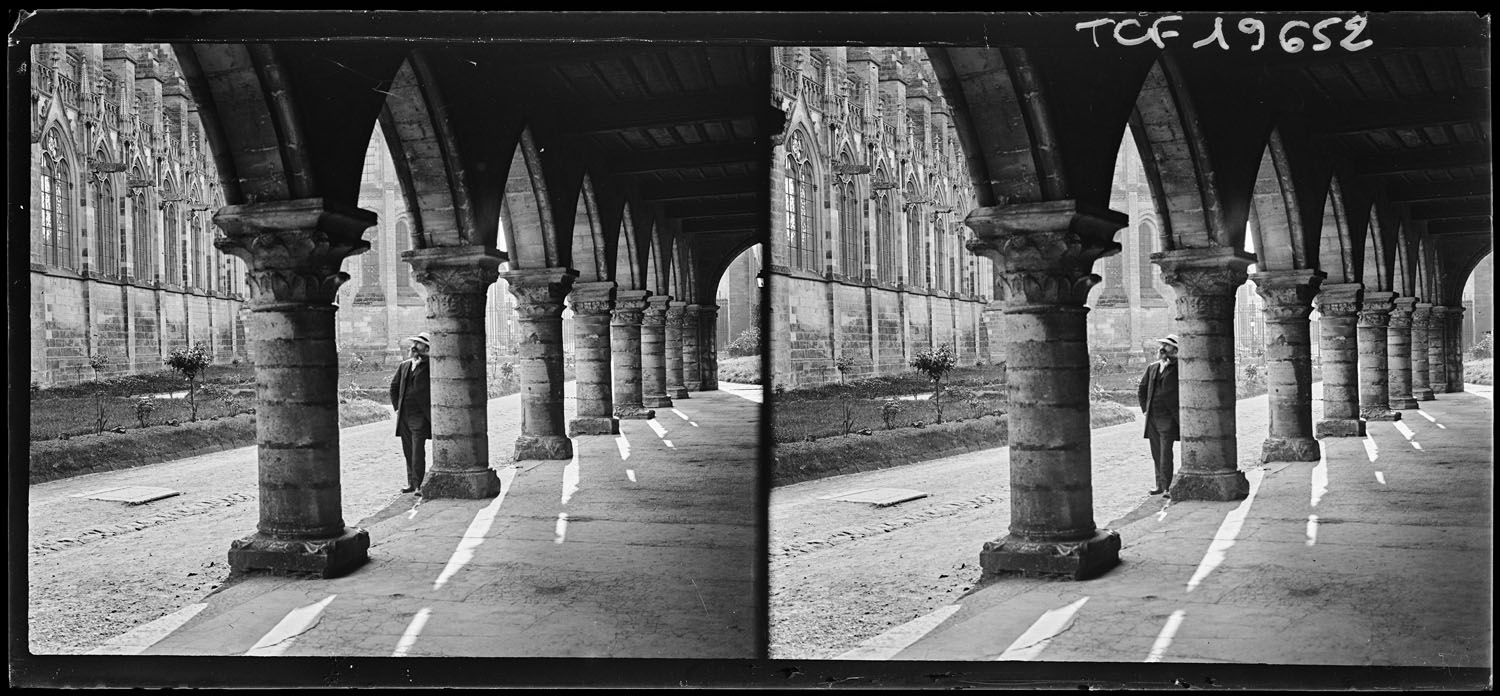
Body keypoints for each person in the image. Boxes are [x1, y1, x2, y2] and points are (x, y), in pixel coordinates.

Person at [1137, 334, 1180, 497]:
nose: (1162, 348)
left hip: (1168, 419)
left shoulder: (1179, 368)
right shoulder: (1152, 367)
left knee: (1165, 453)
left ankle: (1168, 487)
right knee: (1156, 453)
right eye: (1162, 345)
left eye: (1167, 346)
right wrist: (1145, 409)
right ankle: (1160, 485)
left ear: (1175, 350)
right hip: (1152, 418)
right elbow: (1142, 389)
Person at [390, 332, 432, 496]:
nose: (414, 346)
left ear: (426, 348)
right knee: (408, 450)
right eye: (413, 343)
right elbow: (394, 387)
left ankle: (420, 485)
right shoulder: (404, 365)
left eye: (419, 344)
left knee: (417, 451)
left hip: (420, 417)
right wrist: (397, 408)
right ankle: (411, 483)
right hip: (404, 416)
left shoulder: (431, 366)